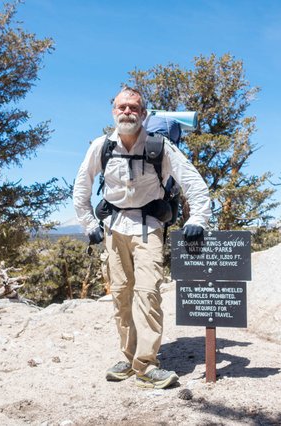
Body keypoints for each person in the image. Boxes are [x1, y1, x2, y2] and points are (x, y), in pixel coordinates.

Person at [73, 87, 211, 389]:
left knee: (147, 293)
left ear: (143, 114)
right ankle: (128, 356)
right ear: (114, 111)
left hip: (149, 228)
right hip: (114, 228)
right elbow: (81, 186)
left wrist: (198, 219)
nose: (127, 112)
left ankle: (146, 365)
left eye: (133, 108)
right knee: (121, 295)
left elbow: (193, 183)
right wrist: (88, 224)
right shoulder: (101, 147)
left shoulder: (159, 146)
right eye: (122, 107)